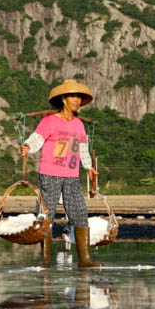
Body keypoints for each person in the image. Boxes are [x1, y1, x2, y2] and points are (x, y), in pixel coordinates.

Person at [20, 78, 101, 268]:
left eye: (79, 97)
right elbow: (37, 139)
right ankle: (46, 259)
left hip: (72, 176)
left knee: (79, 213)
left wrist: (88, 168)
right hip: (50, 174)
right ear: (63, 99)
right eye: (73, 96)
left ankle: (85, 259)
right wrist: (27, 147)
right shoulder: (49, 121)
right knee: (47, 215)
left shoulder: (78, 125)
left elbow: (82, 150)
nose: (77, 100)